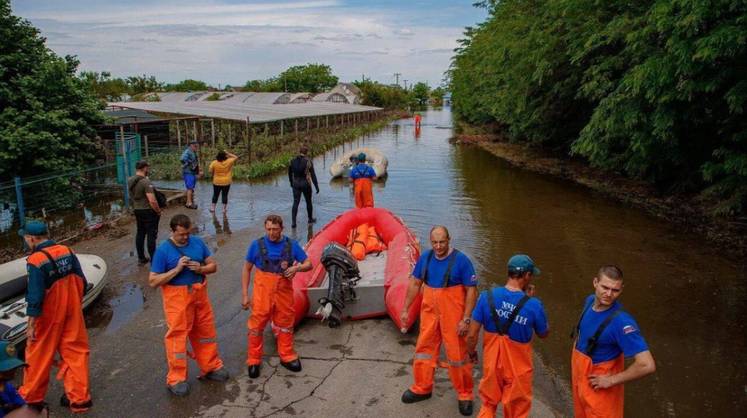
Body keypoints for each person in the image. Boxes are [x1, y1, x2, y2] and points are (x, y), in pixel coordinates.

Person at [400, 226, 478, 416]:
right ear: (430, 241)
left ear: (449, 239)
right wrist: (405, 308)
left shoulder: (462, 261)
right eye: (434, 242)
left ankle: (465, 395)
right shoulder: (425, 258)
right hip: (430, 313)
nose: (438, 246)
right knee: (424, 350)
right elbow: (415, 284)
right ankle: (422, 387)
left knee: (457, 355)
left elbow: (472, 291)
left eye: (442, 242)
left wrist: (466, 319)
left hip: (454, 315)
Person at [149, 214, 229, 396]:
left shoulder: (197, 243)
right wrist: (176, 269)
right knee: (177, 336)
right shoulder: (163, 251)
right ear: (172, 231)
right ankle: (176, 378)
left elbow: (213, 266)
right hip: (177, 298)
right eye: (181, 235)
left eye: (188, 233)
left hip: (199, 294)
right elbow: (153, 281)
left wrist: (200, 269)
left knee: (205, 331)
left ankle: (210, 366)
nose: (185, 237)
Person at [17, 221, 92, 413]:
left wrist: (31, 324)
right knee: (75, 352)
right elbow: (81, 281)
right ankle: (80, 399)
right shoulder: (68, 250)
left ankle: (32, 398)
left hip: (49, 315)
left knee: (38, 355)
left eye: (25, 238)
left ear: (31, 238)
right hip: (72, 310)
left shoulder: (35, 260)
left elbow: (35, 295)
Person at [466, 254, 549, 418]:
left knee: (488, 404)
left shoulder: (486, 297)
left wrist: (471, 352)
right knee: (516, 409)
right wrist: (528, 301)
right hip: (518, 370)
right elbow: (544, 333)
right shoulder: (534, 305)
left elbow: (472, 334)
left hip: (492, 364)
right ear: (526, 276)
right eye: (531, 275)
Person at [571, 265, 656, 418]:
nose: (609, 294)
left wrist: (610, 381)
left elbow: (646, 364)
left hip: (601, 392)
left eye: (615, 290)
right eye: (605, 287)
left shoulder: (622, 323)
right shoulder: (589, 301)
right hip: (580, 381)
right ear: (595, 282)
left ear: (621, 289)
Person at [242, 215, 312, 378]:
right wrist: (245, 294)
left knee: (285, 323)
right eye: (269, 229)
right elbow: (246, 269)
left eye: (275, 229)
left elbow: (309, 264)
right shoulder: (256, 245)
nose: (272, 233)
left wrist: (297, 269)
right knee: (256, 326)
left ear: (282, 228)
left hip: (283, 293)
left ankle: (287, 355)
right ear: (265, 228)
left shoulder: (291, 245)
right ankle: (253, 360)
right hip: (262, 293)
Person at [127, 160, 162, 265]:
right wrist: (158, 210)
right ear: (144, 168)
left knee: (140, 233)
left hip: (137, 210)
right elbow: (152, 200)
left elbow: (131, 196)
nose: (148, 170)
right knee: (151, 234)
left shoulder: (130, 180)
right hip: (148, 210)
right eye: (148, 168)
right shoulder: (146, 182)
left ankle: (141, 258)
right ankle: (154, 259)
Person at [0, 341, 45, 418]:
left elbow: (22, 405)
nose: (13, 371)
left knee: (41, 411)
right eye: (8, 368)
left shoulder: (7, 387)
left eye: (14, 367)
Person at [288, 146, 319, 228]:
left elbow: (290, 174)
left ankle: (293, 223)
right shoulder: (308, 162)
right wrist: (316, 186)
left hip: (296, 183)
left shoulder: (292, 161)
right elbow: (313, 175)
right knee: (308, 201)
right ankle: (310, 219)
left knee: (295, 202)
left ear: (299, 151)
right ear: (306, 153)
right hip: (305, 183)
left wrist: (291, 183)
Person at [180, 140, 201, 209]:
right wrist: (189, 163)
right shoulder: (187, 151)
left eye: (197, 146)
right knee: (190, 188)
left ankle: (189, 202)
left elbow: (195, 162)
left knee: (191, 188)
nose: (196, 147)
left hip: (192, 172)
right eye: (195, 146)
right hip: (188, 172)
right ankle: (189, 203)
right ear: (191, 145)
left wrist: (198, 170)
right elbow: (182, 159)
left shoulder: (193, 152)